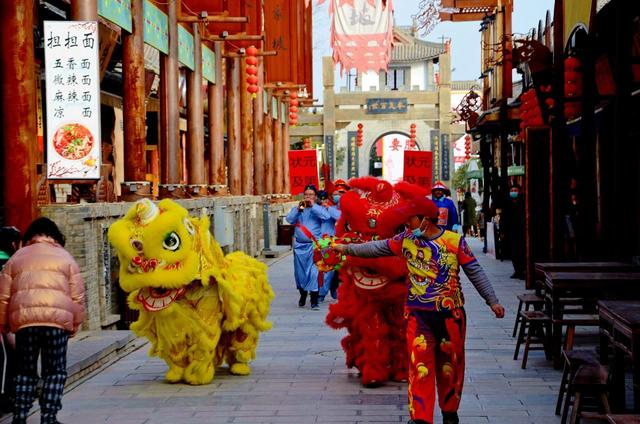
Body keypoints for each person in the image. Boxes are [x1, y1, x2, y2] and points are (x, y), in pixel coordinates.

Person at [333, 196, 504, 424]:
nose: (406, 226)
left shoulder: (454, 241)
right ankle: (420, 418)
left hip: (450, 317)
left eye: (409, 221)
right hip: (418, 316)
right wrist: (345, 248)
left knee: (450, 368)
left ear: (425, 219)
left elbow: (475, 271)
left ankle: (450, 413)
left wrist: (492, 301)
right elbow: (375, 248)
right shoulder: (405, 240)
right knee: (419, 367)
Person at [0, 217, 85, 424]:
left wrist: (3, 324)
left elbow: (3, 296)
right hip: (56, 324)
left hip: (25, 324)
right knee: (55, 371)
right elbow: (78, 296)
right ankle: (49, 417)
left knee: (24, 371)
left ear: (30, 237)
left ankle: (19, 416)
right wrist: (74, 324)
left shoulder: (17, 257)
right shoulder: (65, 258)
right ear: (56, 236)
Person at [286, 185, 332, 310]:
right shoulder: (299, 207)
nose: (308, 197)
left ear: (315, 196)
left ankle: (314, 300)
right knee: (300, 273)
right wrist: (298, 209)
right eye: (306, 195)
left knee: (314, 272)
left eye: (311, 195)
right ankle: (303, 294)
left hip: (314, 246)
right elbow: (289, 219)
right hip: (299, 246)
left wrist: (314, 206)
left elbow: (326, 217)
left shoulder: (318, 209)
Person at [316, 191, 341, 302]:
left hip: (327, 242)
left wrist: (328, 208)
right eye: (320, 199)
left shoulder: (332, 209)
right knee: (314, 269)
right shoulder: (313, 209)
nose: (323, 201)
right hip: (314, 242)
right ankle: (312, 290)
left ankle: (321, 293)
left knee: (328, 269)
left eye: (325, 199)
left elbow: (339, 217)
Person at [505, 184, 526, 279]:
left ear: (519, 191)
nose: (513, 192)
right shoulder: (508, 203)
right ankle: (517, 271)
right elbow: (504, 218)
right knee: (513, 252)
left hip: (521, 230)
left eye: (515, 190)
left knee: (521, 251)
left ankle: (523, 271)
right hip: (511, 231)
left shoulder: (523, 202)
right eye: (512, 190)